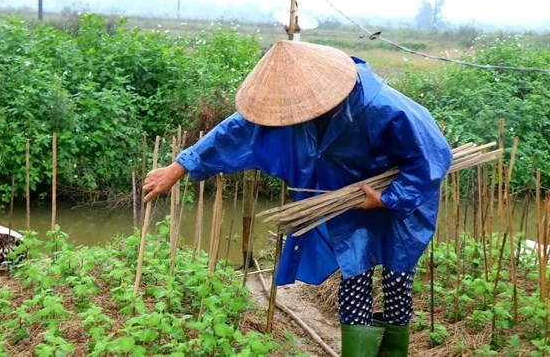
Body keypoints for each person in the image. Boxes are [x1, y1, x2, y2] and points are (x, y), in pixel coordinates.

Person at [143, 40, 452, 357]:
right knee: (355, 277)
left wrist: (390, 198)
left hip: (401, 198)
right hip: (349, 199)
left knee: (396, 280)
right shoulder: (288, 111)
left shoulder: (384, 107)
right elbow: (236, 131)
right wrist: (180, 166)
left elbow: (432, 157)